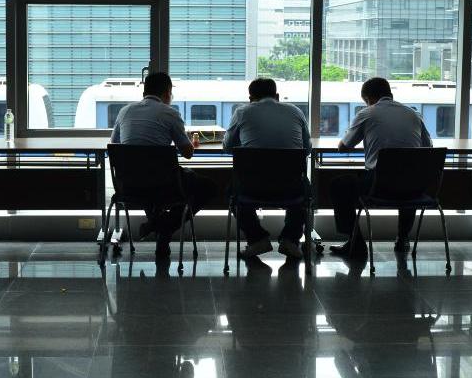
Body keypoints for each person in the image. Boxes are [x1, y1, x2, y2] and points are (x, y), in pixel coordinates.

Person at [110, 70, 217, 258]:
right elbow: (187, 153)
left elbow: (115, 145)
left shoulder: (124, 111)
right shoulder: (170, 113)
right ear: (167, 93)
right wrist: (190, 142)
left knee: (150, 182)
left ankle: (157, 228)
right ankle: (163, 228)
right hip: (164, 185)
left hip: (129, 185)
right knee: (209, 187)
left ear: (144, 91)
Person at [329, 77, 432, 257]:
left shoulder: (367, 113)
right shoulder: (414, 114)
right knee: (407, 176)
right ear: (390, 94)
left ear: (368, 99)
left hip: (380, 187)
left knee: (339, 185)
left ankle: (355, 243)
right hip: (415, 187)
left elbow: (343, 147)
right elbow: (428, 148)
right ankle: (402, 238)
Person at [222, 77, 312, 260]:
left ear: (250, 98)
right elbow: (307, 149)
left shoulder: (242, 112)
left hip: (252, 188)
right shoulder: (296, 111)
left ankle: (257, 239)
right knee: (305, 191)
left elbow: (227, 147)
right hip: (290, 188)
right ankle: (290, 240)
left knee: (232, 191)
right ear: (277, 96)